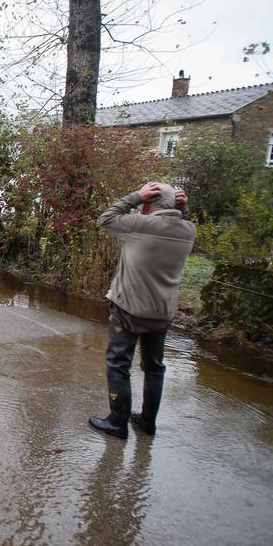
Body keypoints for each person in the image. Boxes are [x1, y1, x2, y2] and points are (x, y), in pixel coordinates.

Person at [88, 182, 196, 440]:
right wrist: (184, 209)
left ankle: (117, 422)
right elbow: (178, 221)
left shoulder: (141, 225)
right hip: (162, 312)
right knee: (154, 367)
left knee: (118, 365)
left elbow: (105, 218)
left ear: (148, 205)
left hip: (129, 309)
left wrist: (135, 196)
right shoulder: (187, 230)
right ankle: (148, 422)